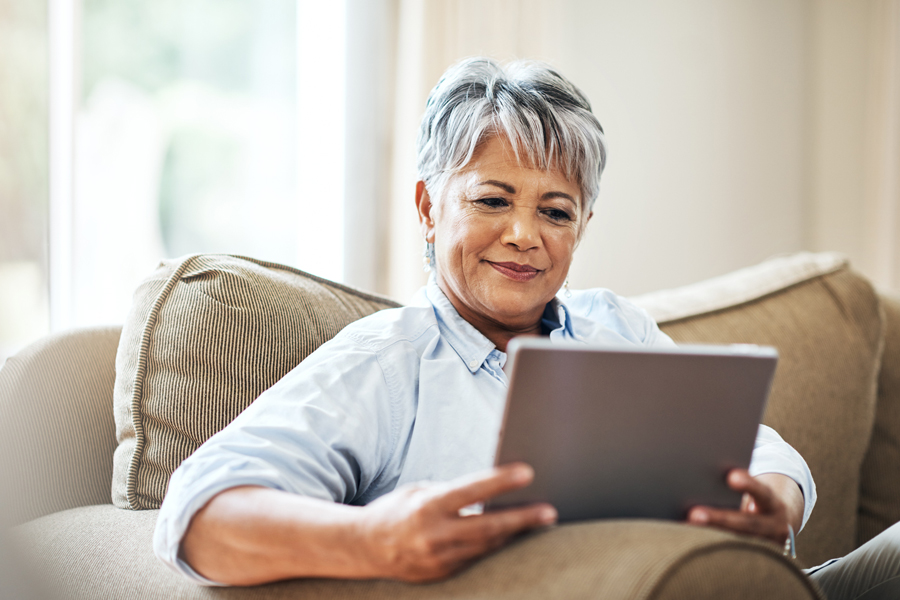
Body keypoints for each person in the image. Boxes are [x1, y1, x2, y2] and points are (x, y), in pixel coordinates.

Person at [154, 58, 900, 597]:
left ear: (582, 226)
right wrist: (378, 538)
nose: (523, 235)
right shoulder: (387, 362)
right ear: (426, 206)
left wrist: (771, 504)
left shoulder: (615, 326)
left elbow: (765, 452)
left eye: (554, 211)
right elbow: (196, 513)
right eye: (491, 200)